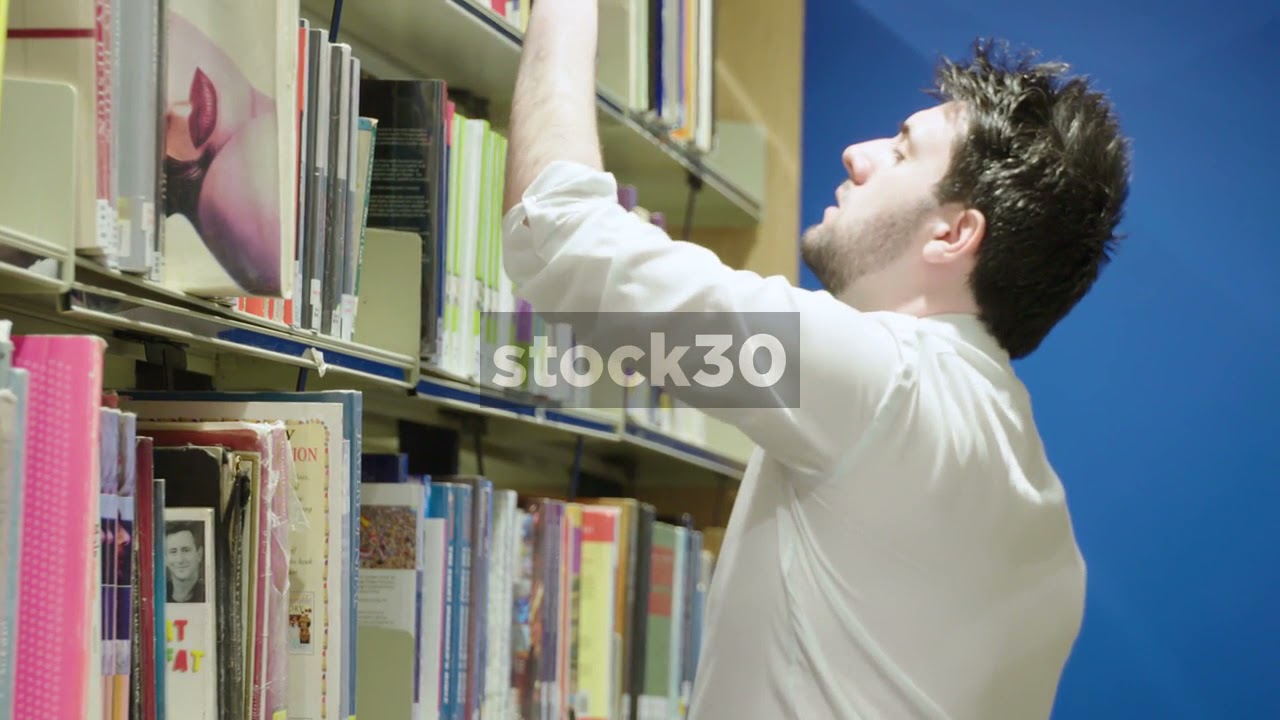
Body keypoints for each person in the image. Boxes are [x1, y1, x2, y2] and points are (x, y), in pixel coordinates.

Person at [500, 0, 1131, 717]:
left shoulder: (886, 386)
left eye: (900, 151)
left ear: (954, 234)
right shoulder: (1044, 523)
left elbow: (558, 241)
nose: (857, 155)